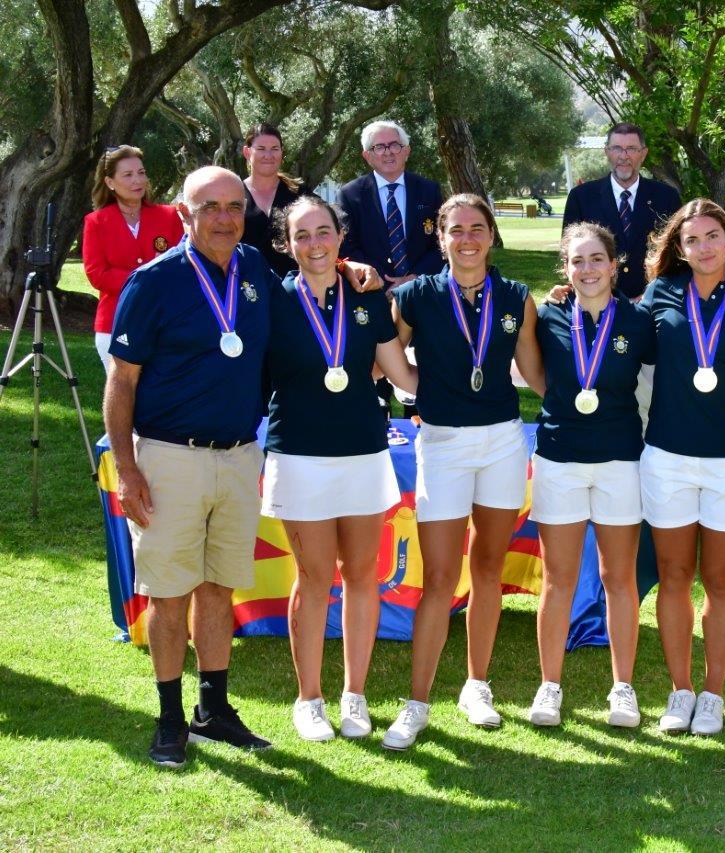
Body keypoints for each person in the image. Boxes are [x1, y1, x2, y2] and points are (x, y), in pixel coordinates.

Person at [103, 166, 382, 769]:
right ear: (183, 212)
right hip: (169, 456)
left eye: (234, 206)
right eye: (210, 208)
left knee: (218, 587)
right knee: (170, 591)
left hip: (237, 456)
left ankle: (214, 709)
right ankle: (171, 718)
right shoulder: (152, 284)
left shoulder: (255, 270)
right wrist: (127, 470)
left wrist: (351, 267)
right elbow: (120, 383)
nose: (226, 218)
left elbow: (314, 275)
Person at [382, 194, 544, 749]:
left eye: (477, 228)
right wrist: (416, 388)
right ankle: (417, 703)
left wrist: (590, 398)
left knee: (490, 568)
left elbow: (533, 370)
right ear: (441, 236)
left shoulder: (517, 297)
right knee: (439, 579)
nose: (467, 239)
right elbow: (388, 352)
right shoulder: (416, 296)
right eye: (456, 229)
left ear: (492, 236)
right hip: (443, 445)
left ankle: (477, 685)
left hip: (502, 441)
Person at [262, 197, 417, 741]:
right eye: (301, 235)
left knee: (360, 576)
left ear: (339, 236)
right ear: (286, 244)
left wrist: (463, 387)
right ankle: (309, 699)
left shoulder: (367, 296)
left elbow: (399, 372)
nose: (315, 244)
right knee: (313, 577)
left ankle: (355, 695)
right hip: (299, 454)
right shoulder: (272, 299)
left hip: (363, 451)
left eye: (323, 232)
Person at [638, 199, 725, 737]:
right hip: (666, 455)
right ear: (680, 248)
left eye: (714, 236)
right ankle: (680, 689)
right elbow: (612, 332)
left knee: (719, 579)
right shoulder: (659, 295)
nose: (705, 247)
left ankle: (712, 693)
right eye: (693, 240)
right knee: (673, 575)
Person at [526, 223, 656, 728]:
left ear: (614, 263)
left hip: (620, 460)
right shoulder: (550, 315)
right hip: (559, 458)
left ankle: (622, 688)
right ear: (566, 268)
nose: (587, 269)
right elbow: (538, 376)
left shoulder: (639, 321)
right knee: (557, 580)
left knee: (617, 578)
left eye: (596, 259)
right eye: (577, 261)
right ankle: (549, 686)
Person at [82, 145, 183, 368]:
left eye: (141, 173)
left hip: (165, 321)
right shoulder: (96, 222)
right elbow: (97, 275)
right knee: (123, 396)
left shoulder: (168, 216)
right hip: (115, 322)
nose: (137, 180)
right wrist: (146, 278)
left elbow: (183, 265)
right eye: (128, 175)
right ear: (110, 183)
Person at [562, 122, 682, 301]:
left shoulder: (667, 197)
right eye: (617, 148)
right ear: (607, 152)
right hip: (598, 304)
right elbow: (569, 254)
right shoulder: (581, 197)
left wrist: (650, 295)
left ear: (643, 153)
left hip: (652, 303)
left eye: (632, 148)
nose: (624, 156)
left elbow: (677, 255)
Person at [338, 120, 445, 285]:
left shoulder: (429, 191)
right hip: (371, 290)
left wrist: (414, 278)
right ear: (367, 156)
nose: (388, 152)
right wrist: (379, 280)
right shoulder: (350, 195)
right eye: (379, 147)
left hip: (422, 288)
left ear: (407, 151)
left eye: (395, 145)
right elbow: (346, 247)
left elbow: (441, 242)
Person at [240, 123, 309, 279]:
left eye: (275, 149)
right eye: (261, 149)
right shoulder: (233, 195)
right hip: (247, 288)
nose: (268, 155)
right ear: (247, 152)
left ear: (281, 153)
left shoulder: (300, 194)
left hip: (294, 288)